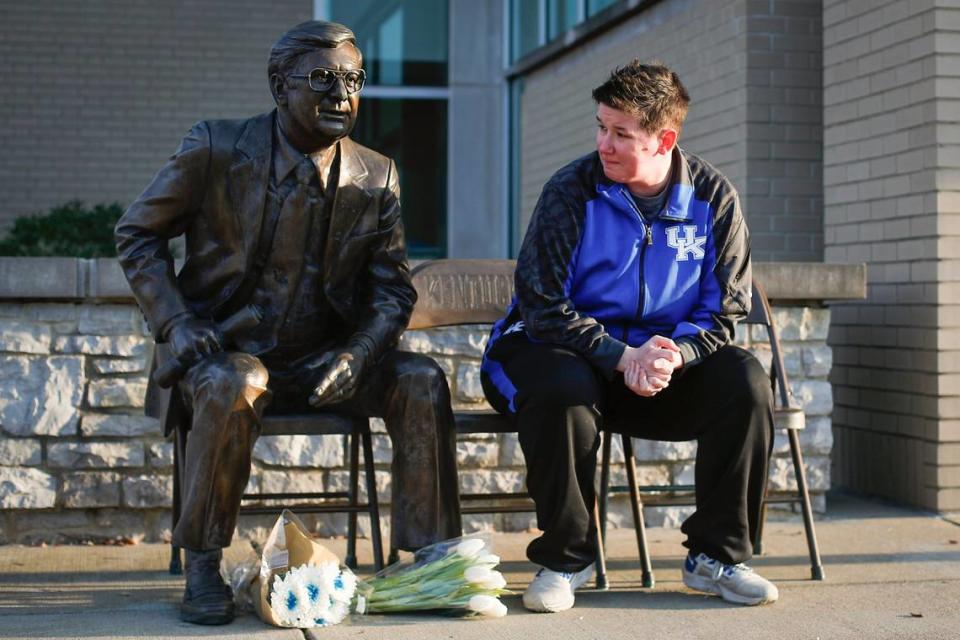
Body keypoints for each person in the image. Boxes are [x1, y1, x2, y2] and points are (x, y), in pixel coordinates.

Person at [115, 21, 461, 625]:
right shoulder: (216, 149)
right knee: (236, 382)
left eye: (353, 80)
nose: (342, 95)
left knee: (421, 379)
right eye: (323, 79)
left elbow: (391, 289)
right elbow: (137, 235)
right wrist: (176, 322)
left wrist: (358, 353)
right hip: (227, 355)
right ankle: (203, 560)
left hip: (328, 357)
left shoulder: (376, 174)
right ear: (280, 86)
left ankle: (428, 558)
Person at [481, 60, 777, 613]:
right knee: (562, 387)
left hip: (654, 367)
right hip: (556, 353)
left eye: (621, 133)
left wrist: (674, 355)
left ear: (665, 139)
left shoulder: (713, 199)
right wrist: (621, 356)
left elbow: (727, 306)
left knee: (746, 381)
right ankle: (566, 558)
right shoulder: (571, 191)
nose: (604, 144)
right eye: (600, 127)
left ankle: (716, 558)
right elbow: (543, 304)